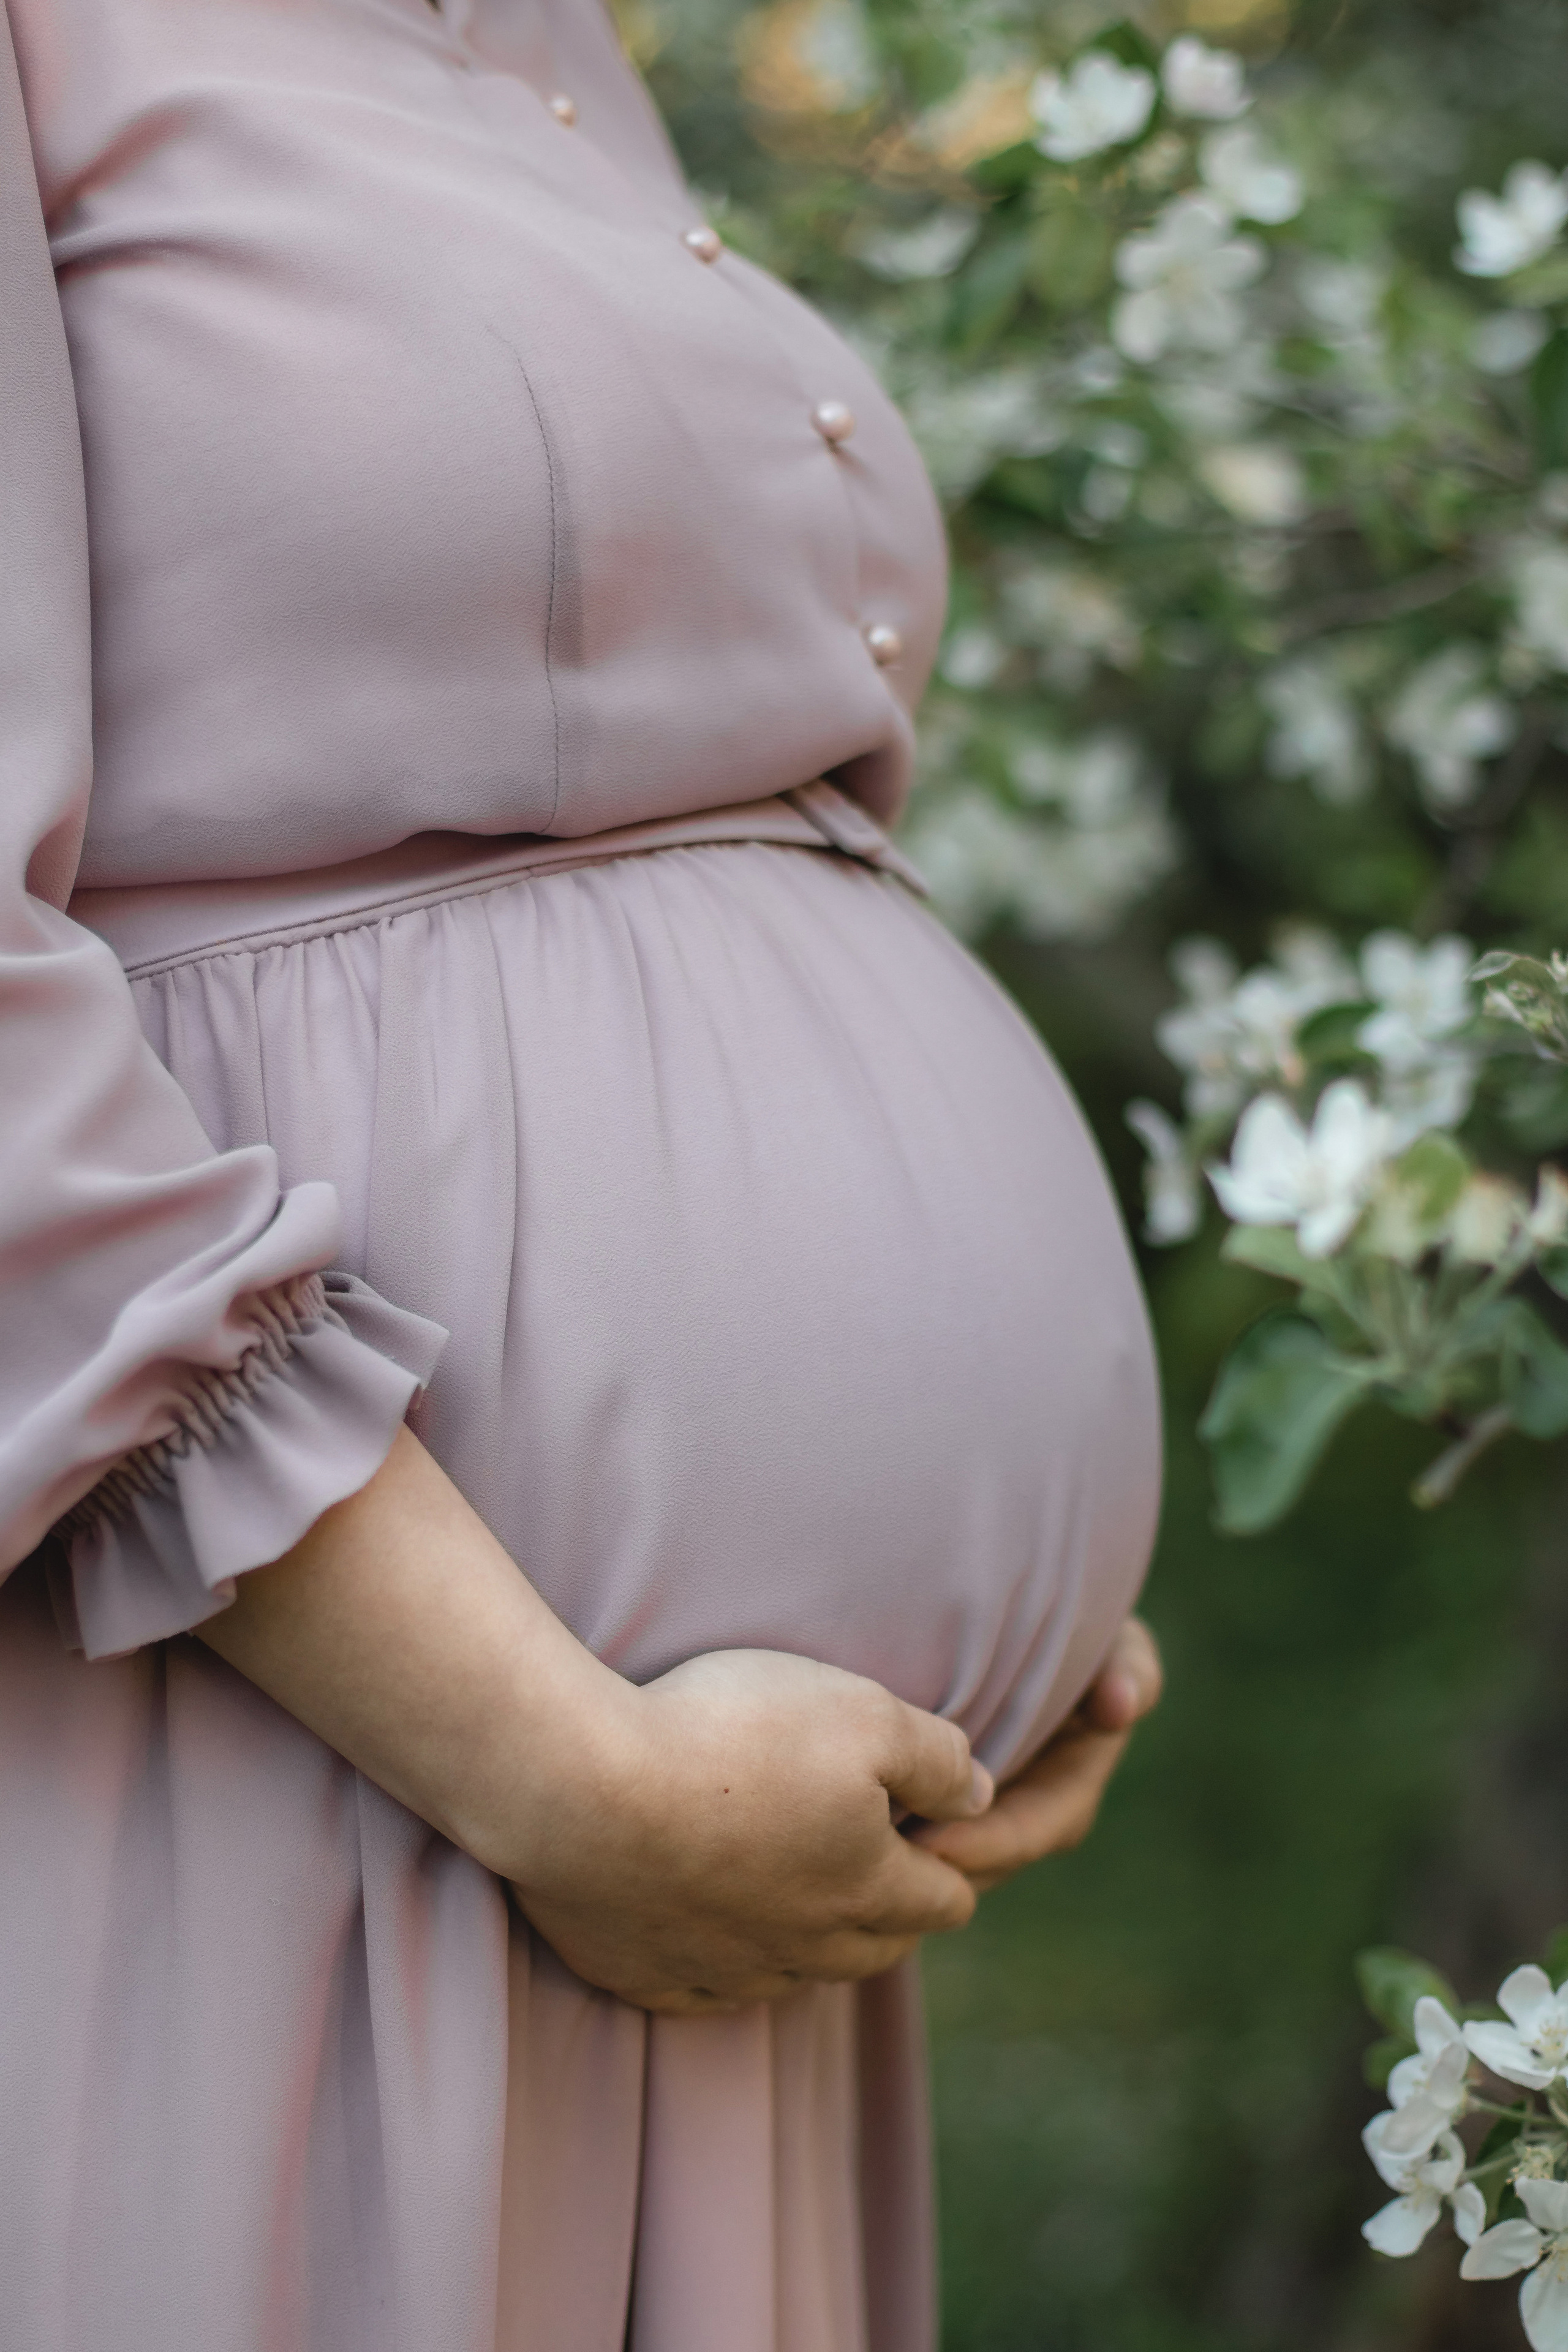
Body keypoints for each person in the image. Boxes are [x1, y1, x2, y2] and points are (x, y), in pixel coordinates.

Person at [0, 0, 1164, 2343]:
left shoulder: (542, 39)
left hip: (725, 1886)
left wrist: (996, 1590)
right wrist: (557, 1765)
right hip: (295, 1734)